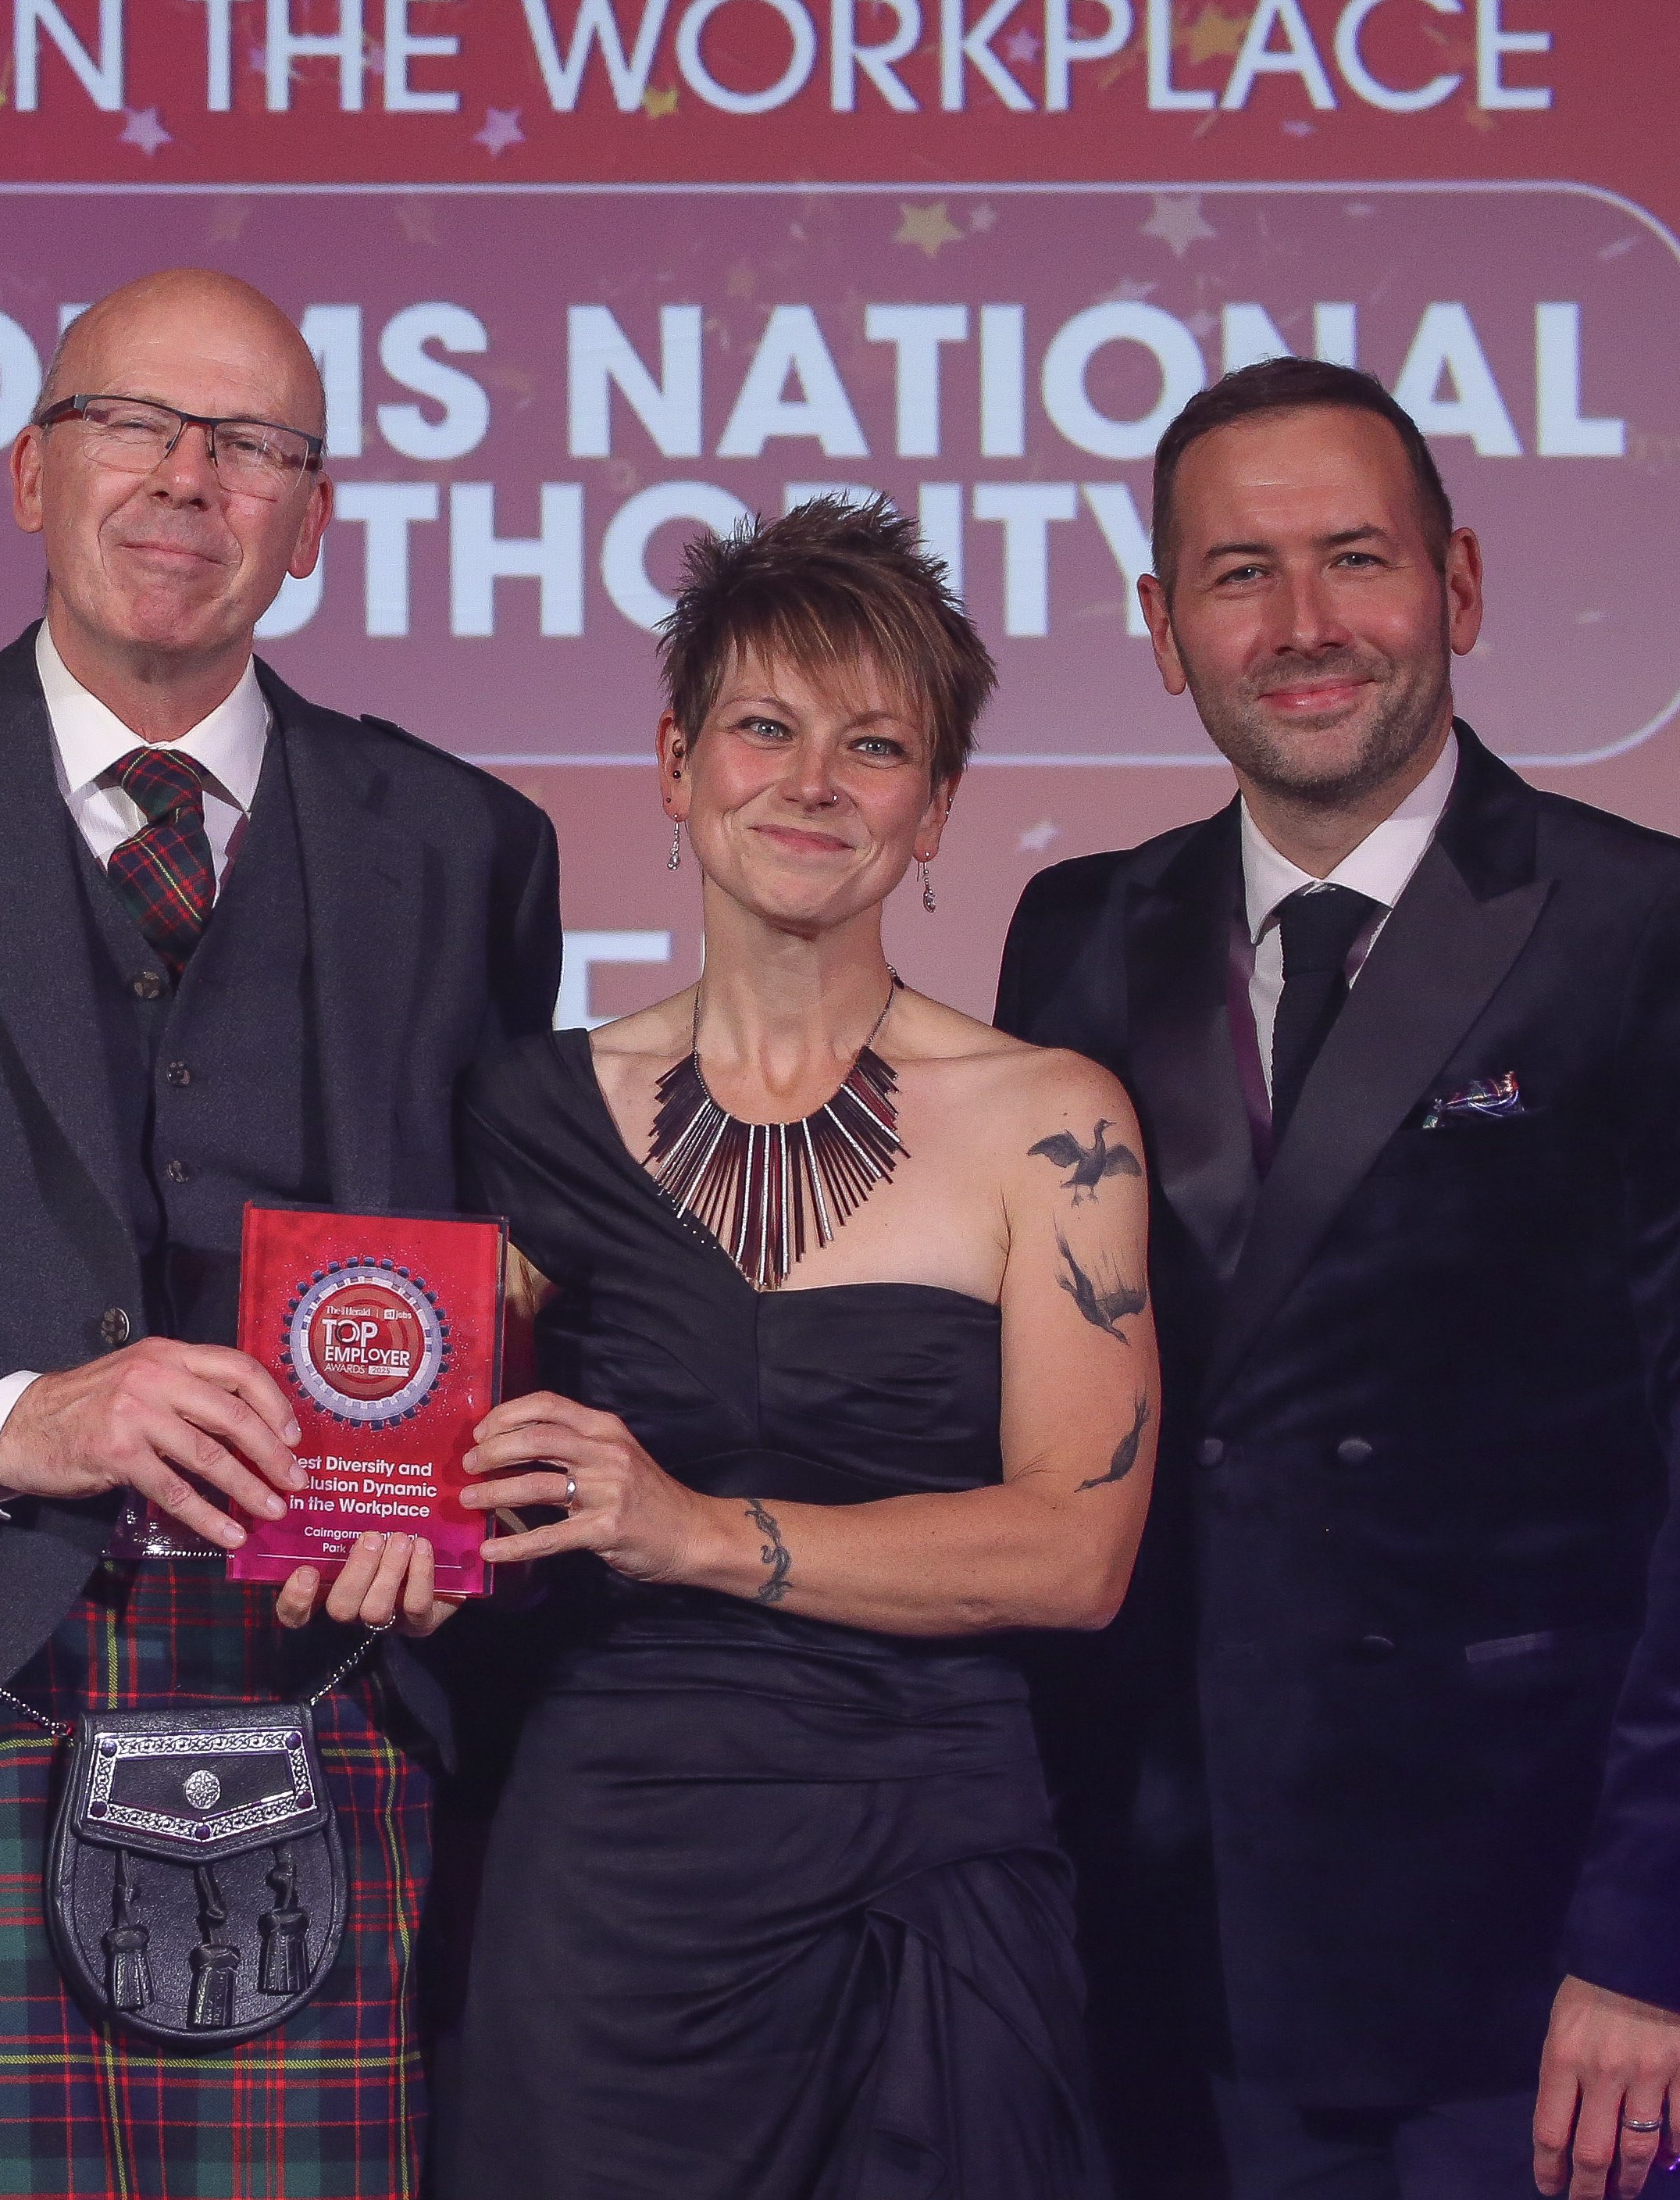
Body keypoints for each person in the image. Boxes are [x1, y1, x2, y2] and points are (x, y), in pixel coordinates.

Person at [0, 266, 565, 2196]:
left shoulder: (469, 844)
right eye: (134, 424)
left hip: (333, 1695)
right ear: (29, 474)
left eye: (254, 448)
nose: (187, 479)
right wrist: (11, 1420)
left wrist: (461, 1492)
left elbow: (519, 1279)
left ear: (314, 523)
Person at [994, 357, 1680, 2200]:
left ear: (1457, 586)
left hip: (1522, 1970)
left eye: (1354, 559)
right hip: (1150, 1936)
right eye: (1238, 574)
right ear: (1161, 626)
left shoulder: (1665, 932)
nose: (1304, 627)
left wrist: (1658, 1938)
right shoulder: (1079, 931)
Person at [438, 498, 1145, 2200]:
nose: (813, 779)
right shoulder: (522, 1110)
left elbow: (1076, 1549)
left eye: (875, 743)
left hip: (937, 1865)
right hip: (611, 1879)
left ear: (937, 808)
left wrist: (691, 1528)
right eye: (764, 725)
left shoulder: (1054, 1118)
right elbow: (454, 1497)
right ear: (676, 763)